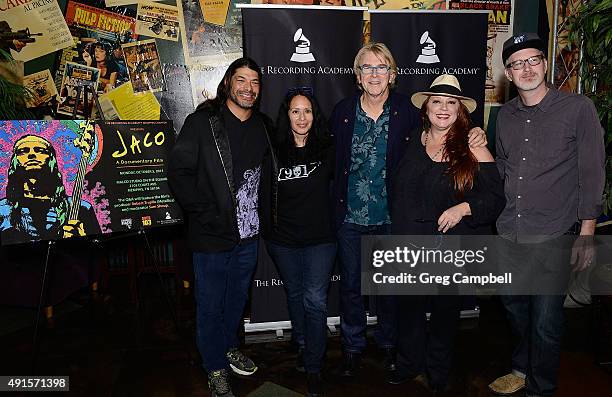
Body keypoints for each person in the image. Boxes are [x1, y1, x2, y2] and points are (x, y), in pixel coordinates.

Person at [330, 42, 487, 377]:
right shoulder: (342, 111)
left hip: (392, 218)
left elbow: (442, 134)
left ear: (392, 74)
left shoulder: (405, 112)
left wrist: (474, 131)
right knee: (351, 288)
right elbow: (334, 163)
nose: (374, 74)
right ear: (358, 76)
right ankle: (353, 348)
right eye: (367, 68)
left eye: (381, 67)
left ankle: (391, 346)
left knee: (390, 289)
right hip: (351, 216)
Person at [488, 33, 605, 397]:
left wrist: (587, 231)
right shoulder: (504, 115)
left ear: (545, 63)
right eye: (516, 63)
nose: (526, 68)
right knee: (513, 307)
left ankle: (541, 388)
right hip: (508, 231)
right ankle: (522, 368)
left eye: (532, 59)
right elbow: (504, 167)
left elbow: (593, 171)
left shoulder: (577, 109)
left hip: (553, 233)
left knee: (545, 320)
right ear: (508, 72)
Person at [388, 74, 505, 392]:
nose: (443, 108)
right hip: (409, 244)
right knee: (409, 309)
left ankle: (438, 368)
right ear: (425, 109)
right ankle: (409, 362)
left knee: (444, 313)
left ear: (460, 110)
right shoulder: (414, 138)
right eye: (436, 101)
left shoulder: (472, 144)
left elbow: (495, 196)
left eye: (450, 102)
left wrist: (463, 209)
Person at [168, 57, 275, 397]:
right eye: (242, 80)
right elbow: (179, 173)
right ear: (229, 83)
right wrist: (205, 214)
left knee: (235, 300)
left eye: (255, 82)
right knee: (210, 304)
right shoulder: (203, 123)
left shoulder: (264, 126)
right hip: (211, 234)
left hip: (248, 235)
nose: (249, 88)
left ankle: (228, 348)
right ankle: (214, 367)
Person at [261, 88, 335, 397]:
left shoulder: (328, 147)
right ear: (286, 115)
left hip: (321, 238)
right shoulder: (273, 149)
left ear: (314, 115)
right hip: (284, 239)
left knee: (315, 299)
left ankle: (315, 366)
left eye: (307, 111)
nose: (302, 117)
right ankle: (303, 343)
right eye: (295, 111)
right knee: (295, 293)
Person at [0, 135, 101, 245]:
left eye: (40, 150)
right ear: (15, 161)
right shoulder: (2, 209)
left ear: (51, 159)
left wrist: (83, 240)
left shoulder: (81, 208)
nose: (31, 154)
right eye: (23, 151)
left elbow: (99, 248)